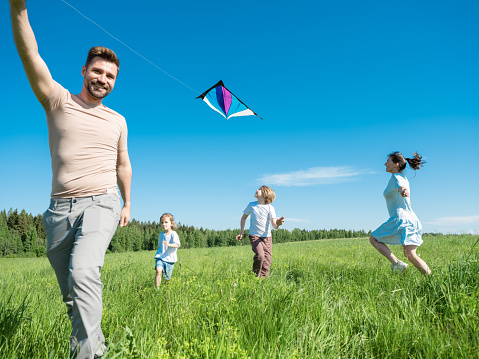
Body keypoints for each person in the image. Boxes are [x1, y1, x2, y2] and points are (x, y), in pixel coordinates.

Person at [9, 1, 132, 358]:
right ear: (84, 70)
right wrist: (19, 9)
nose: (103, 80)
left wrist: (127, 203)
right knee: (72, 295)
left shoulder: (118, 121)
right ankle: (92, 344)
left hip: (102, 201)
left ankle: (91, 355)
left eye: (110, 77)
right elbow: (28, 51)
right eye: (97, 72)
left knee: (82, 273)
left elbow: (123, 163)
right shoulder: (57, 100)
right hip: (59, 211)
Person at [369, 152, 431, 275]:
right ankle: (432, 279)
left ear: (396, 164)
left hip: (400, 218)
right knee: (411, 255)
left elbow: (401, 187)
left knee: (373, 239)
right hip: (412, 219)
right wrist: (404, 191)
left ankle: (397, 264)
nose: (385, 163)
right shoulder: (404, 178)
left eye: (388, 161)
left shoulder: (396, 178)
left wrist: (403, 191)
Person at [236, 186, 285, 277]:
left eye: (259, 190)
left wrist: (278, 223)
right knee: (260, 256)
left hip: (267, 237)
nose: (256, 190)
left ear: (265, 194)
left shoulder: (270, 208)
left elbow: (274, 225)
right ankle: (255, 277)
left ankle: (264, 280)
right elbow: (243, 218)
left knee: (267, 259)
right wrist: (241, 233)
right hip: (254, 236)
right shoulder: (251, 205)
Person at [154, 213, 181, 288]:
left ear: (171, 223)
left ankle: (166, 290)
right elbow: (159, 245)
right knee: (158, 270)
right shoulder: (161, 235)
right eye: (162, 223)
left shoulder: (173, 234)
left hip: (170, 259)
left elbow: (177, 245)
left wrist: (169, 244)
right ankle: (157, 289)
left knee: (166, 278)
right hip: (160, 256)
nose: (163, 224)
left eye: (166, 222)